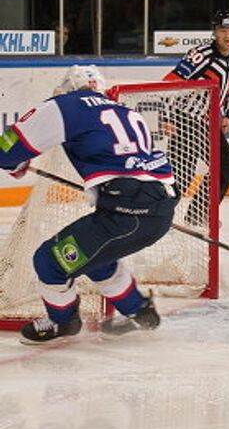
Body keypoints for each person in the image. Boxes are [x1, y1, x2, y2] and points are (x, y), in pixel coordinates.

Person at [0, 65, 179, 343]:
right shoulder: (126, 111)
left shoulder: (66, 105)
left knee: (48, 261)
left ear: (69, 88)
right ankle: (140, 311)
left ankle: (63, 322)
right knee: (96, 260)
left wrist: (16, 164)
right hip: (160, 208)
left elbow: (7, 152)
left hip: (126, 212)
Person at [163, 9, 229, 217]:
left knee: (226, 165)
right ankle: (158, 215)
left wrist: (228, 115)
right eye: (222, 30)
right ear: (214, 32)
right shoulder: (200, 55)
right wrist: (166, 117)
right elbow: (170, 83)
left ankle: (198, 214)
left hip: (208, 124)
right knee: (182, 173)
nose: (227, 35)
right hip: (186, 120)